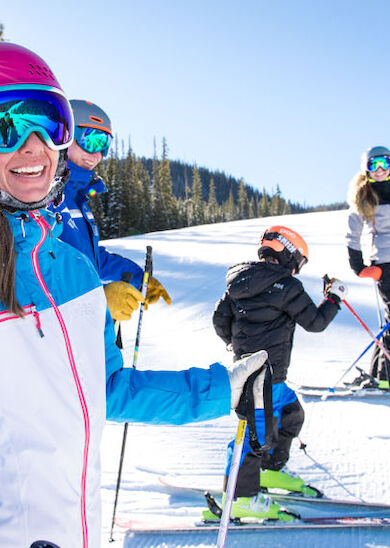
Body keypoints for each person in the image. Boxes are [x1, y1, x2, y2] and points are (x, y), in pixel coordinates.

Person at [0, 42, 273, 548]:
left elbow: (105, 390)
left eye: (48, 123)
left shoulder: (76, 269)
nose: (33, 145)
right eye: (6, 126)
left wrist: (222, 390)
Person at [210, 226, 346, 519]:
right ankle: (240, 498)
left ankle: (268, 470)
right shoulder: (287, 287)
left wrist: (234, 344)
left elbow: (219, 320)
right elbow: (316, 323)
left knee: (291, 413)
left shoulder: (237, 284)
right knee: (254, 436)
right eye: (300, 262)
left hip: (261, 376)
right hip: (263, 378)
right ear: (288, 253)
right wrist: (333, 299)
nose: (298, 268)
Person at [54, 98, 170, 321]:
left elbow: (91, 260)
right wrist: (95, 303)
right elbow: (39, 271)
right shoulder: (41, 197)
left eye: (104, 144)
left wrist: (137, 278)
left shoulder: (77, 199)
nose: (97, 154)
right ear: (63, 135)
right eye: (91, 141)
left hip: (83, 331)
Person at [346, 145, 390, 389]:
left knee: (389, 321)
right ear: (366, 168)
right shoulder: (365, 197)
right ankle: (385, 379)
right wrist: (359, 267)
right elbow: (352, 236)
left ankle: (377, 373)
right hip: (384, 263)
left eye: (385, 163)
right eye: (375, 165)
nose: (381, 170)